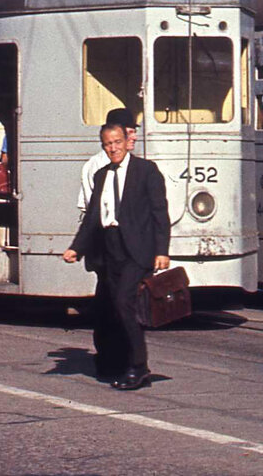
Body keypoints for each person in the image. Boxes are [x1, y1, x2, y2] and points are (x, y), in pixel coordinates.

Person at [61, 121, 170, 390]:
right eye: (108, 144)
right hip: (110, 251)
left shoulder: (146, 171)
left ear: (127, 141)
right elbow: (93, 218)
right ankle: (121, 363)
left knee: (124, 303)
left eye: (117, 142)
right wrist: (77, 247)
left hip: (136, 250)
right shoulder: (101, 175)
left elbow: (160, 214)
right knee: (111, 308)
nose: (113, 148)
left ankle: (139, 367)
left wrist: (161, 251)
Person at [78, 108, 139, 214]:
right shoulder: (97, 164)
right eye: (130, 132)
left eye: (134, 132)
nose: (135, 137)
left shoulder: (134, 164)